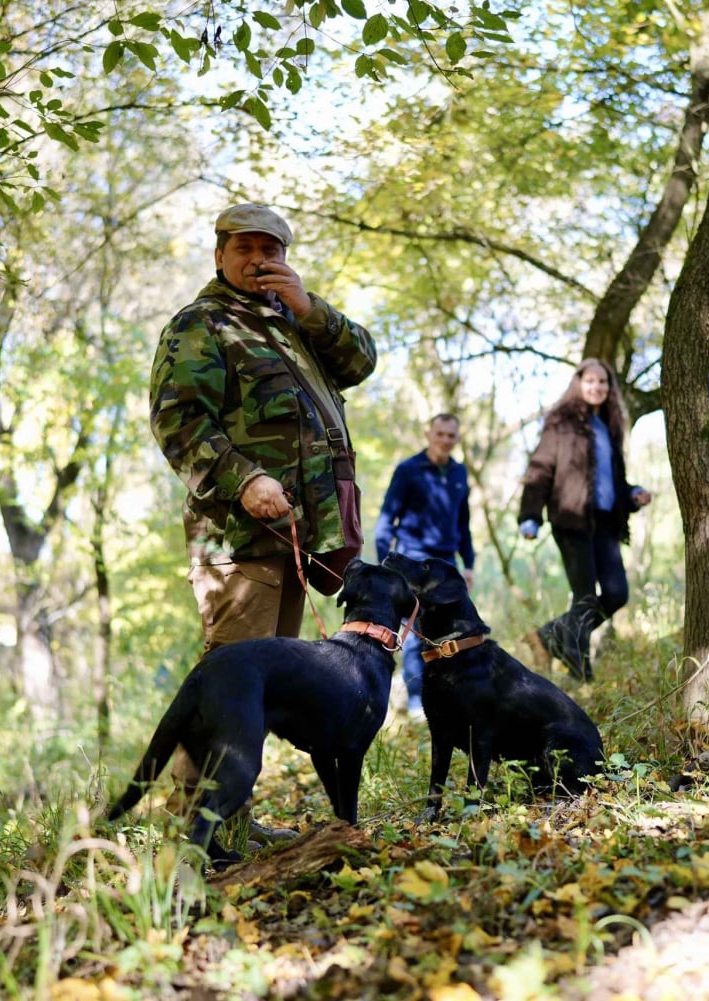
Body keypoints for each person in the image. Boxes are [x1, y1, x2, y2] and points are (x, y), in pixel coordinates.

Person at [148, 203, 376, 837]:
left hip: (298, 534)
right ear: (220, 255)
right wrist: (244, 479)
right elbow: (178, 421)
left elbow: (360, 362)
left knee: (258, 689)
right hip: (239, 537)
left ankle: (232, 822)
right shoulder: (201, 324)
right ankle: (193, 831)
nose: (257, 261)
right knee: (229, 678)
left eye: (269, 250)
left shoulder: (293, 320)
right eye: (243, 249)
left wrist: (309, 307)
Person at [518, 359, 652, 681]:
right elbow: (540, 469)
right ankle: (581, 675)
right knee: (586, 597)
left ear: (609, 387)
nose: (597, 387)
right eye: (590, 380)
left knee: (617, 593)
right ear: (578, 383)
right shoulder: (560, 423)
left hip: (606, 522)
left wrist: (633, 493)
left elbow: (614, 481)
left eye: (603, 382)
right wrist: (530, 516)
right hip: (571, 519)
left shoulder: (608, 426)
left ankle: (548, 636)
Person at [374, 414, 476, 716]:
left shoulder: (459, 472)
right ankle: (416, 699)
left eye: (451, 435)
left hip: (446, 563)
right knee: (414, 631)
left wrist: (469, 564)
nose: (445, 440)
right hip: (413, 559)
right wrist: (384, 563)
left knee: (451, 630)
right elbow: (386, 519)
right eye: (440, 434)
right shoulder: (408, 470)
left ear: (457, 438)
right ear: (428, 434)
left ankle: (445, 694)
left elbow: (463, 523)